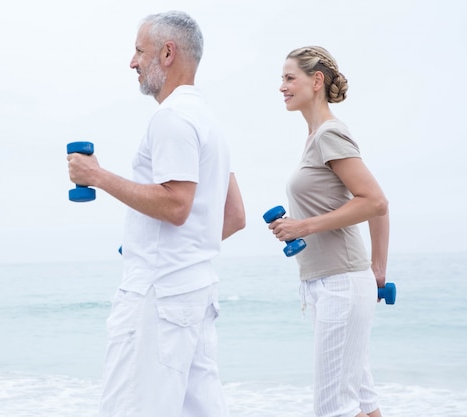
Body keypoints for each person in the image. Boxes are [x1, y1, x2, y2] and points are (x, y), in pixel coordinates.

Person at [67, 10, 246, 417]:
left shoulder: (171, 118)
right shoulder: (210, 124)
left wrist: (96, 175)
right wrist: (152, 242)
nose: (132, 62)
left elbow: (176, 204)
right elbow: (233, 215)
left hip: (158, 297)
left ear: (168, 53)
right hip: (193, 292)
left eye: (138, 51)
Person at [267, 46, 390, 417]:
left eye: (290, 78)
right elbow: (373, 202)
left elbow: (375, 201)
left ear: (316, 80)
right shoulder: (316, 136)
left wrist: (303, 225)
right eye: (282, 79)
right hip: (333, 283)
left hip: (341, 285)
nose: (282, 87)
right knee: (363, 404)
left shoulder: (329, 134)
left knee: (333, 408)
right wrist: (378, 270)